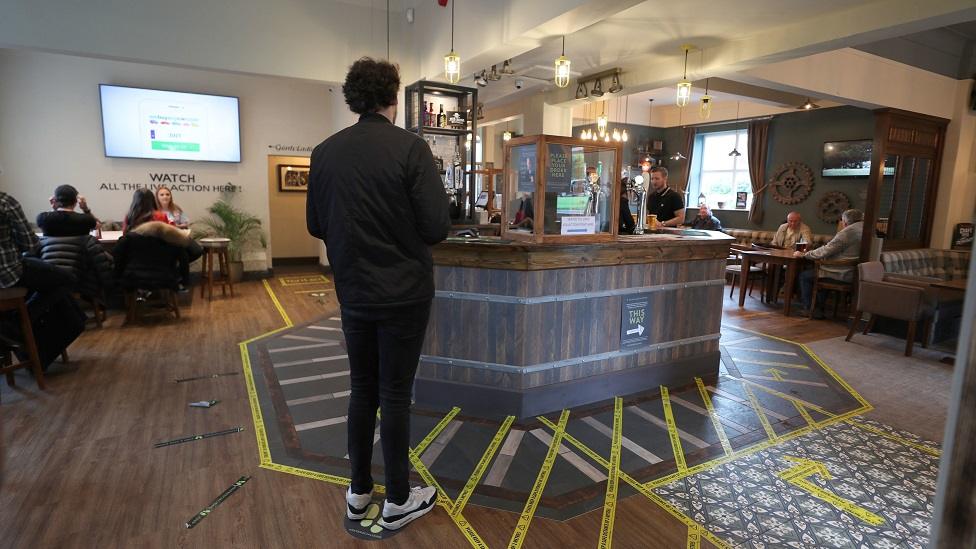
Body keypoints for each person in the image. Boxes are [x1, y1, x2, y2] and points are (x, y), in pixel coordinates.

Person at [306, 57, 449, 531]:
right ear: (394, 96)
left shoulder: (325, 152)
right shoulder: (411, 149)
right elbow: (435, 227)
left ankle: (358, 491)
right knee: (396, 394)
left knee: (362, 389)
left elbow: (315, 224)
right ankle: (400, 498)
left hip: (354, 291)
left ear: (352, 98)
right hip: (405, 292)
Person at [122, 189, 201, 288]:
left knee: (183, 251)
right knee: (183, 251)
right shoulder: (160, 216)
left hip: (136, 259)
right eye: (162, 195)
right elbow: (168, 235)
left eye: (167, 194)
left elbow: (125, 235)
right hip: (160, 256)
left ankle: (180, 279)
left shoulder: (128, 217)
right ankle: (182, 281)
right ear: (153, 200)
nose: (165, 197)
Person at [795, 209, 864, 318]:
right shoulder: (866, 228)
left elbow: (826, 250)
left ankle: (810, 309)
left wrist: (804, 255)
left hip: (842, 272)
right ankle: (819, 308)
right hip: (856, 271)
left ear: (844, 221)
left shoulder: (847, 232)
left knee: (805, 276)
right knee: (819, 273)